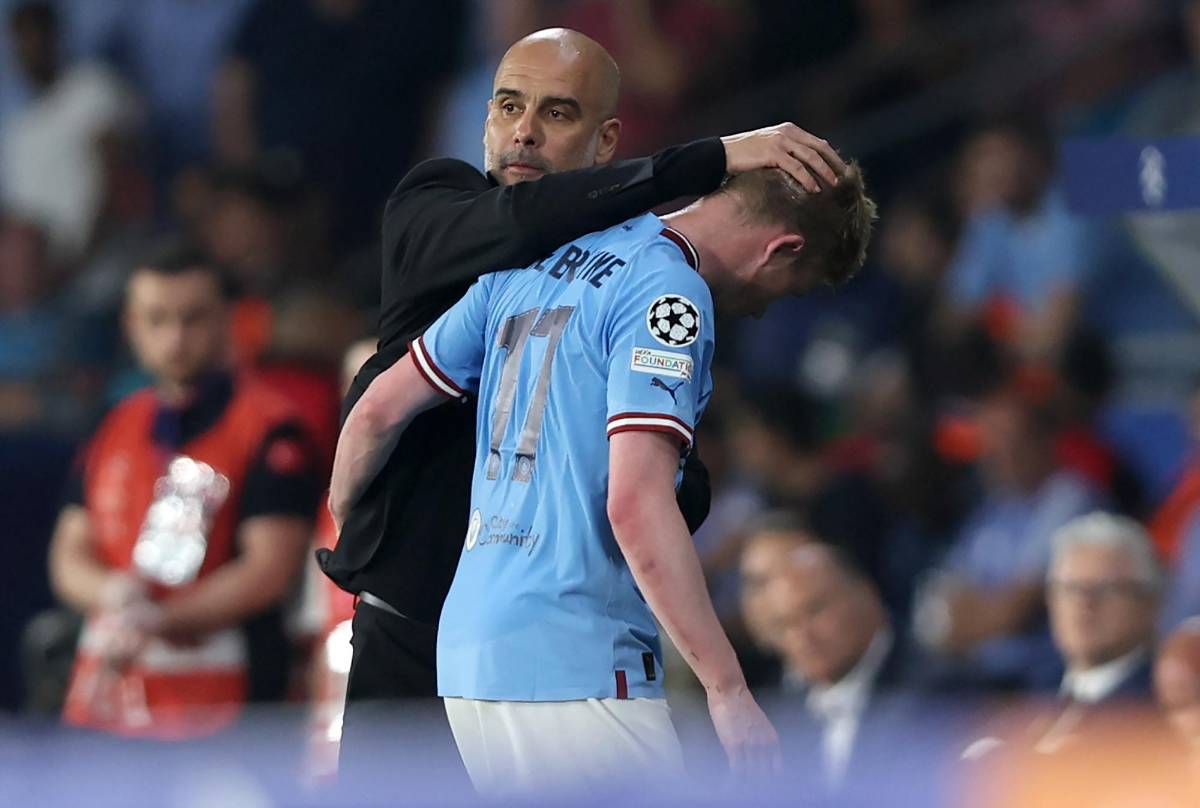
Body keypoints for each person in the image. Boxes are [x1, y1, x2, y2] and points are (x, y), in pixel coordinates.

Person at [316, 25, 849, 765]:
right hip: (550, 652)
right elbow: (634, 501)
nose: (524, 132)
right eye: (507, 106)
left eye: (556, 114)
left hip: (471, 650)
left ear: (605, 145)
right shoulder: (460, 213)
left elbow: (375, 408)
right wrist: (726, 687)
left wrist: (345, 514)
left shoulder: (516, 274)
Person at [48, 243, 321, 738]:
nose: (175, 337)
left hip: (225, 706)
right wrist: (112, 592)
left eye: (193, 318)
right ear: (132, 327)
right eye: (157, 319)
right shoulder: (116, 423)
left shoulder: (271, 428)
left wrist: (158, 619)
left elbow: (268, 570)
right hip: (109, 703)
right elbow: (68, 552)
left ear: (226, 321)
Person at [758, 542, 925, 791]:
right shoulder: (781, 717)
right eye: (786, 624)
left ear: (867, 595)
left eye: (815, 610)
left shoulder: (935, 688)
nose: (803, 636)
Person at [1030, 512, 1161, 754]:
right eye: (1070, 587)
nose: (1084, 603)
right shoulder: (1028, 693)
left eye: (1106, 588)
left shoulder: (1161, 706)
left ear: (1149, 603)